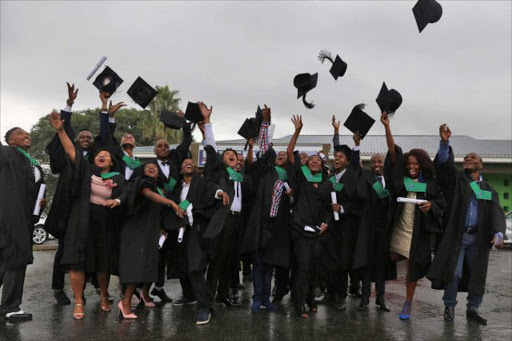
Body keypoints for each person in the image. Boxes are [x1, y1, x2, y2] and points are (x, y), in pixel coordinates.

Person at [49, 111, 127, 319]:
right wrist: (61, 131)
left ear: (111, 162)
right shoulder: (85, 171)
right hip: (81, 221)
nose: (102, 156)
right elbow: (71, 151)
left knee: (102, 263)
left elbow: (126, 195)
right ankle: (78, 301)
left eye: (107, 155)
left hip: (104, 223)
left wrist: (117, 199)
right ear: (94, 158)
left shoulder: (118, 178)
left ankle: (103, 295)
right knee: (77, 261)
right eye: (99, 155)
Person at [427, 124, 506, 325]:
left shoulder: (488, 189)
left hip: (478, 240)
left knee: (477, 275)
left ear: (481, 165)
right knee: (454, 272)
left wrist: (498, 233)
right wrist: (444, 143)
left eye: (473, 158)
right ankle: (450, 307)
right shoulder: (456, 180)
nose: (467, 159)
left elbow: (497, 211)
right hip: (457, 237)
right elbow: (444, 166)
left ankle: (473, 309)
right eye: (466, 158)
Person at [381, 112, 446, 320]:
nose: (411, 167)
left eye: (415, 164)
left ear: (422, 165)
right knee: (391, 257)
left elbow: (441, 202)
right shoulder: (401, 180)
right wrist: (387, 127)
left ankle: (408, 302)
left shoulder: (430, 183)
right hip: (399, 227)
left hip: (418, 231)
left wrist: (430, 204)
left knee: (412, 266)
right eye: (409, 163)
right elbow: (392, 154)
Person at [199, 102, 254, 308]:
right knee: (218, 261)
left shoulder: (241, 177)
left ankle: (223, 295)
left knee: (230, 261)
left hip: (238, 222)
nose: (232, 156)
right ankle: (208, 299)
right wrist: (207, 122)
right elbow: (212, 150)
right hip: (224, 221)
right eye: (227, 155)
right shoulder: (220, 173)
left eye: (234, 155)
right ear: (223, 161)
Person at [241, 106, 293, 312]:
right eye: (277, 155)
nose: (279, 157)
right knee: (259, 264)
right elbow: (263, 147)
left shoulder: (288, 180)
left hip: (277, 226)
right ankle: (257, 297)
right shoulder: (266, 171)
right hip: (261, 224)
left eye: (283, 156)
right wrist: (265, 122)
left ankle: (266, 298)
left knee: (270, 264)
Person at [118, 162, 185, 319]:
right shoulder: (142, 182)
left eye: (155, 167)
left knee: (146, 265)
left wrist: (162, 229)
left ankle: (141, 296)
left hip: (149, 230)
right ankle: (125, 303)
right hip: (137, 230)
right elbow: (148, 195)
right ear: (141, 170)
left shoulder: (159, 188)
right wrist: (171, 203)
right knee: (136, 266)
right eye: (148, 166)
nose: (152, 167)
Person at [286, 115, 335, 318]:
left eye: (317, 161)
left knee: (314, 267)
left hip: (318, 230)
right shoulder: (301, 177)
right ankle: (300, 304)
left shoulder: (327, 183)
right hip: (300, 229)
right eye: (311, 160)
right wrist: (297, 131)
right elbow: (290, 153)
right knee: (303, 266)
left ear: (322, 166)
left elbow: (330, 207)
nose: (314, 162)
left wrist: (327, 224)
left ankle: (310, 298)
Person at [1, 127, 46, 320]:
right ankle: (10, 307)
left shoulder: (33, 164)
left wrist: (40, 204)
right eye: (21, 133)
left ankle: (9, 306)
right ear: (11, 141)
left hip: (26, 218)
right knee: (16, 258)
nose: (26, 135)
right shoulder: (6, 153)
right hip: (9, 215)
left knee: (8, 260)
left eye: (27, 133)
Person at [150, 115, 193, 303]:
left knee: (180, 254)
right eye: (159, 146)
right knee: (158, 254)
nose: (163, 148)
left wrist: (185, 124)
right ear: (154, 150)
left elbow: (186, 141)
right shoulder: (149, 167)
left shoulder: (176, 158)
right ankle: (157, 288)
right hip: (158, 215)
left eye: (166, 146)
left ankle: (188, 292)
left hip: (177, 214)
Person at [350, 137, 395, 312]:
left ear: (385, 163)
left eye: (379, 161)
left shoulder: (391, 181)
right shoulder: (367, 177)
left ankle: (381, 298)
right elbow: (355, 166)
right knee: (367, 264)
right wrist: (357, 145)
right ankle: (365, 299)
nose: (376, 164)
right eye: (373, 162)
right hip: (367, 228)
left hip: (384, 229)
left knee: (381, 264)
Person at [329, 116, 364, 311]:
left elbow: (356, 201)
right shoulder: (331, 176)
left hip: (347, 225)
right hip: (331, 226)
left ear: (348, 161)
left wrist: (342, 209)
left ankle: (342, 295)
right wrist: (335, 132)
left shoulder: (353, 175)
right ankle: (331, 292)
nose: (336, 159)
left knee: (343, 260)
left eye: (341, 157)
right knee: (331, 259)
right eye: (336, 157)